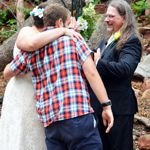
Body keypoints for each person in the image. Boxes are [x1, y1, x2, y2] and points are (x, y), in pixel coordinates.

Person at [3, 4, 114, 150]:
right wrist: (106, 106)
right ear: (60, 23)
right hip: (77, 114)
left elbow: (7, 72)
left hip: (51, 124)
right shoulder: (73, 39)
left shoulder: (32, 50)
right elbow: (91, 72)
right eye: (68, 23)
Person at [0, 4, 79, 150]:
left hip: (41, 93)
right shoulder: (28, 31)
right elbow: (29, 46)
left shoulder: (57, 38)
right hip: (21, 90)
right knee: (17, 131)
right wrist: (64, 30)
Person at [89, 0, 142, 150]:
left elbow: (125, 69)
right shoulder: (106, 40)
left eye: (111, 16)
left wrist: (98, 63)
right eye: (106, 16)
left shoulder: (131, 41)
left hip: (119, 107)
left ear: (124, 18)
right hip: (102, 106)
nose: (106, 19)